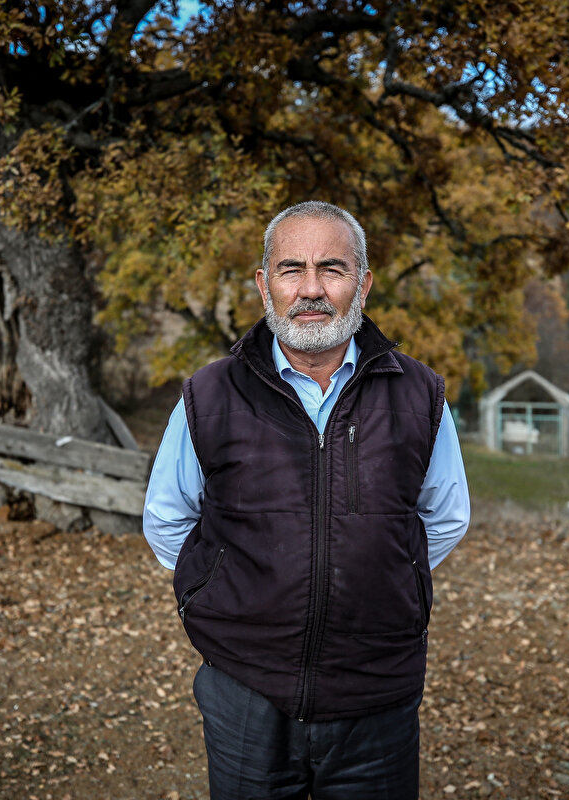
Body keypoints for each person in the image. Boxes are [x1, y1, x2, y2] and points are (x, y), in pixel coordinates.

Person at [143, 200, 471, 800]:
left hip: (378, 691)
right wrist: (215, 590)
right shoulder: (209, 394)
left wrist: (385, 577)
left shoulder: (419, 394)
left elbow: (444, 518)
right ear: (265, 285)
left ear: (363, 284)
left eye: (334, 269)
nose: (312, 289)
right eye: (293, 269)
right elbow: (168, 518)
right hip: (245, 686)